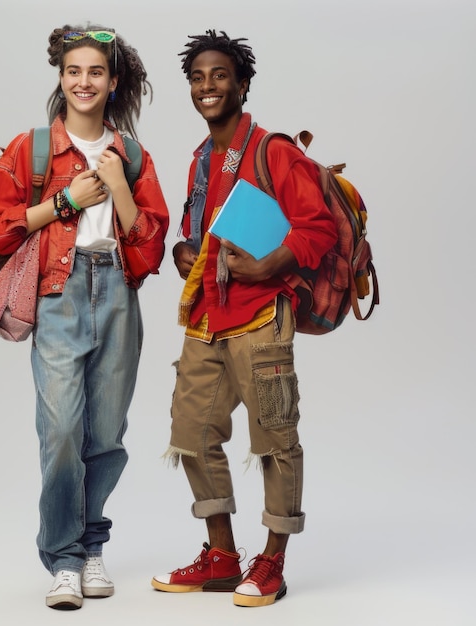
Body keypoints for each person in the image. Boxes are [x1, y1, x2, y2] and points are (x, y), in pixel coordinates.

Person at [0, 24, 169, 610]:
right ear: (61, 78)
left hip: (116, 293)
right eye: (73, 71)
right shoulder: (31, 149)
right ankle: (62, 559)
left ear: (113, 82)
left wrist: (119, 188)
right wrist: (66, 202)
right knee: (61, 430)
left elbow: (150, 250)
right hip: (58, 293)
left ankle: (91, 547)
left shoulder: (130, 154)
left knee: (106, 435)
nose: (83, 81)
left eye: (95, 72)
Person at [151, 30, 337, 607]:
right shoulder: (202, 159)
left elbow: (318, 228)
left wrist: (266, 267)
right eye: (198, 78)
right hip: (207, 317)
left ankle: (273, 562)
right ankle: (222, 556)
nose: (207, 86)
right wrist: (186, 252)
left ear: (243, 84)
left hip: (260, 316)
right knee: (191, 433)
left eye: (220, 75)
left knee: (275, 437)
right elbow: (204, 235)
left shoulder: (272, 150)